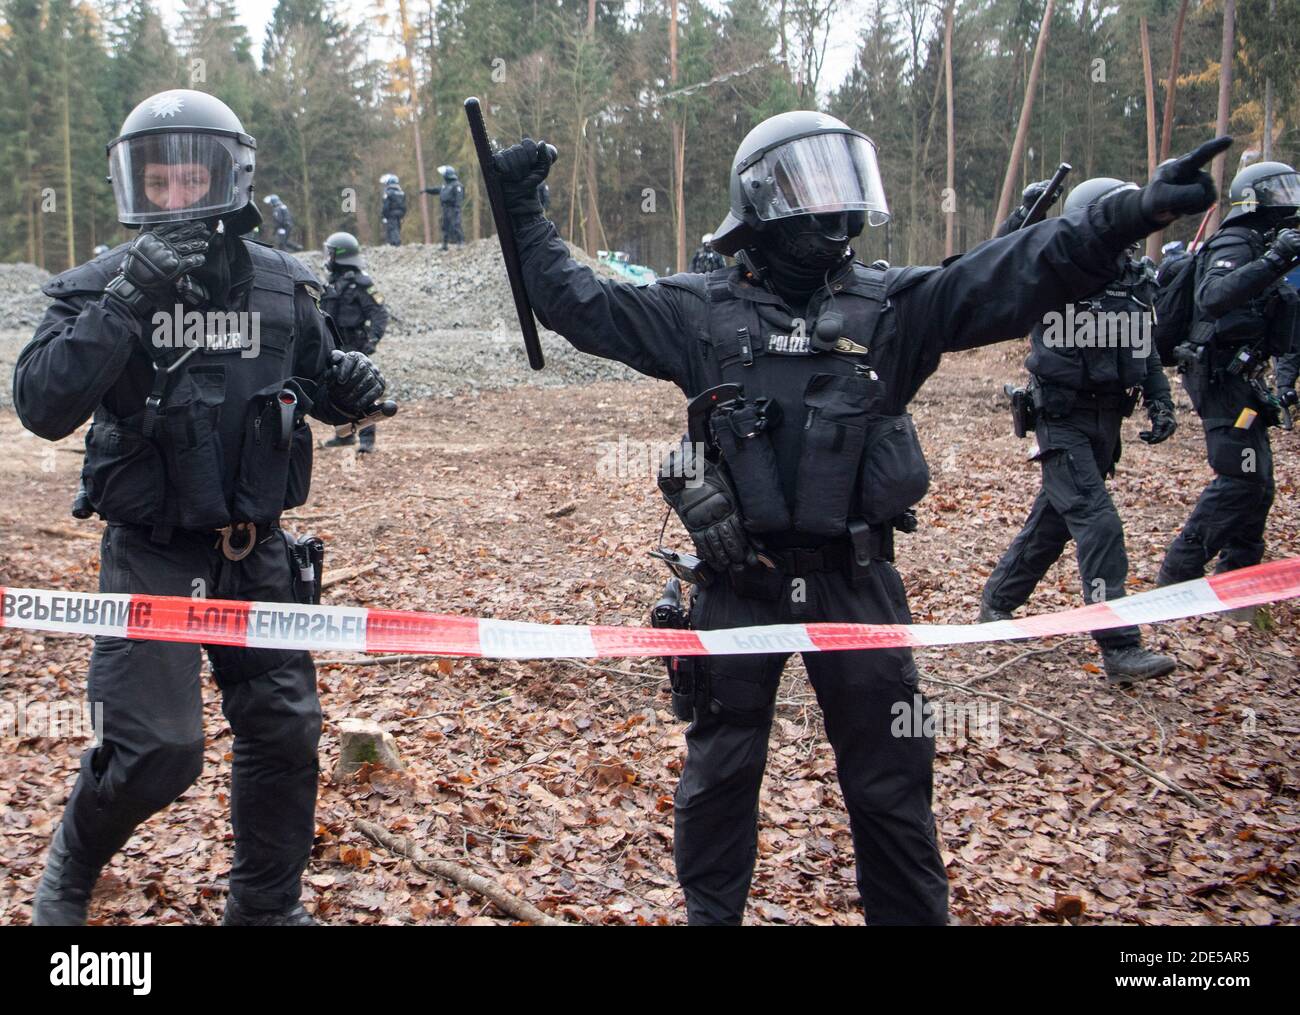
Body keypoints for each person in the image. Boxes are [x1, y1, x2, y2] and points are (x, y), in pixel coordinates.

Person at [487, 113, 1228, 925]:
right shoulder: (699, 313)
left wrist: (1133, 212)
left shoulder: (892, 309)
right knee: (720, 775)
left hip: (858, 581)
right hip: (741, 584)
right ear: (760, 203)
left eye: (843, 186)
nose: (834, 211)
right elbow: (575, 301)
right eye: (812, 188)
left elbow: (1013, 273)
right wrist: (521, 204)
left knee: (892, 782)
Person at [14, 89, 387, 927]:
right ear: (133, 186)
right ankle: (73, 863)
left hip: (257, 549)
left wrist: (351, 392)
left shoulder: (285, 286)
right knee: (159, 747)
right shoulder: (98, 287)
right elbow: (41, 404)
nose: (176, 198)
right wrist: (126, 301)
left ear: (230, 178)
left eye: (192, 179)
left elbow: (316, 383)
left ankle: (265, 907)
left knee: (285, 729)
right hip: (152, 549)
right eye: (159, 182)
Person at [979, 177, 1178, 683]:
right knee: (1098, 521)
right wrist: (1026, 213)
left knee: (1055, 520)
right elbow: (1000, 263)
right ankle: (1120, 646)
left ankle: (996, 604)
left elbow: (1144, 344)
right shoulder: (1059, 269)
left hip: (1107, 419)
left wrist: (1161, 399)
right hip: (1060, 417)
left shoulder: (1136, 277)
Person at [1157, 160, 1300, 588]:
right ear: (1254, 198)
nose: (1288, 198)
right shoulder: (1235, 243)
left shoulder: (1259, 244)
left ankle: (1238, 582)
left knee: (1258, 484)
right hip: (1218, 378)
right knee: (1239, 478)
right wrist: (1275, 259)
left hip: (1245, 382)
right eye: (1279, 190)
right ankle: (1177, 576)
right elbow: (1215, 296)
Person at [319, 232, 389, 453]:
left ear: (340, 256)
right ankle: (344, 436)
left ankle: (367, 441)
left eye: (330, 253)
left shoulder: (361, 284)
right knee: (336, 390)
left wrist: (373, 340)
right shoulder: (331, 285)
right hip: (334, 346)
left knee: (362, 392)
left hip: (356, 344)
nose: (327, 257)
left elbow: (380, 314)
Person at [422, 165, 465, 249]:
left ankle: (461, 242)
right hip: (445, 209)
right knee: (445, 226)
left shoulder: (457, 185)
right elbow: (436, 190)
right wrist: (426, 190)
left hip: (453, 208)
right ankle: (444, 244)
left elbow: (459, 198)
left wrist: (457, 208)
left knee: (456, 225)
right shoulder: (445, 185)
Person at [380, 173, 406, 246]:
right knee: (397, 227)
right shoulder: (401, 193)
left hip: (391, 213)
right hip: (400, 213)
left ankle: (395, 243)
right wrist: (403, 214)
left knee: (392, 228)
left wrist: (384, 216)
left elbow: (386, 206)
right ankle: (394, 243)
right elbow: (404, 205)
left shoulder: (388, 193)